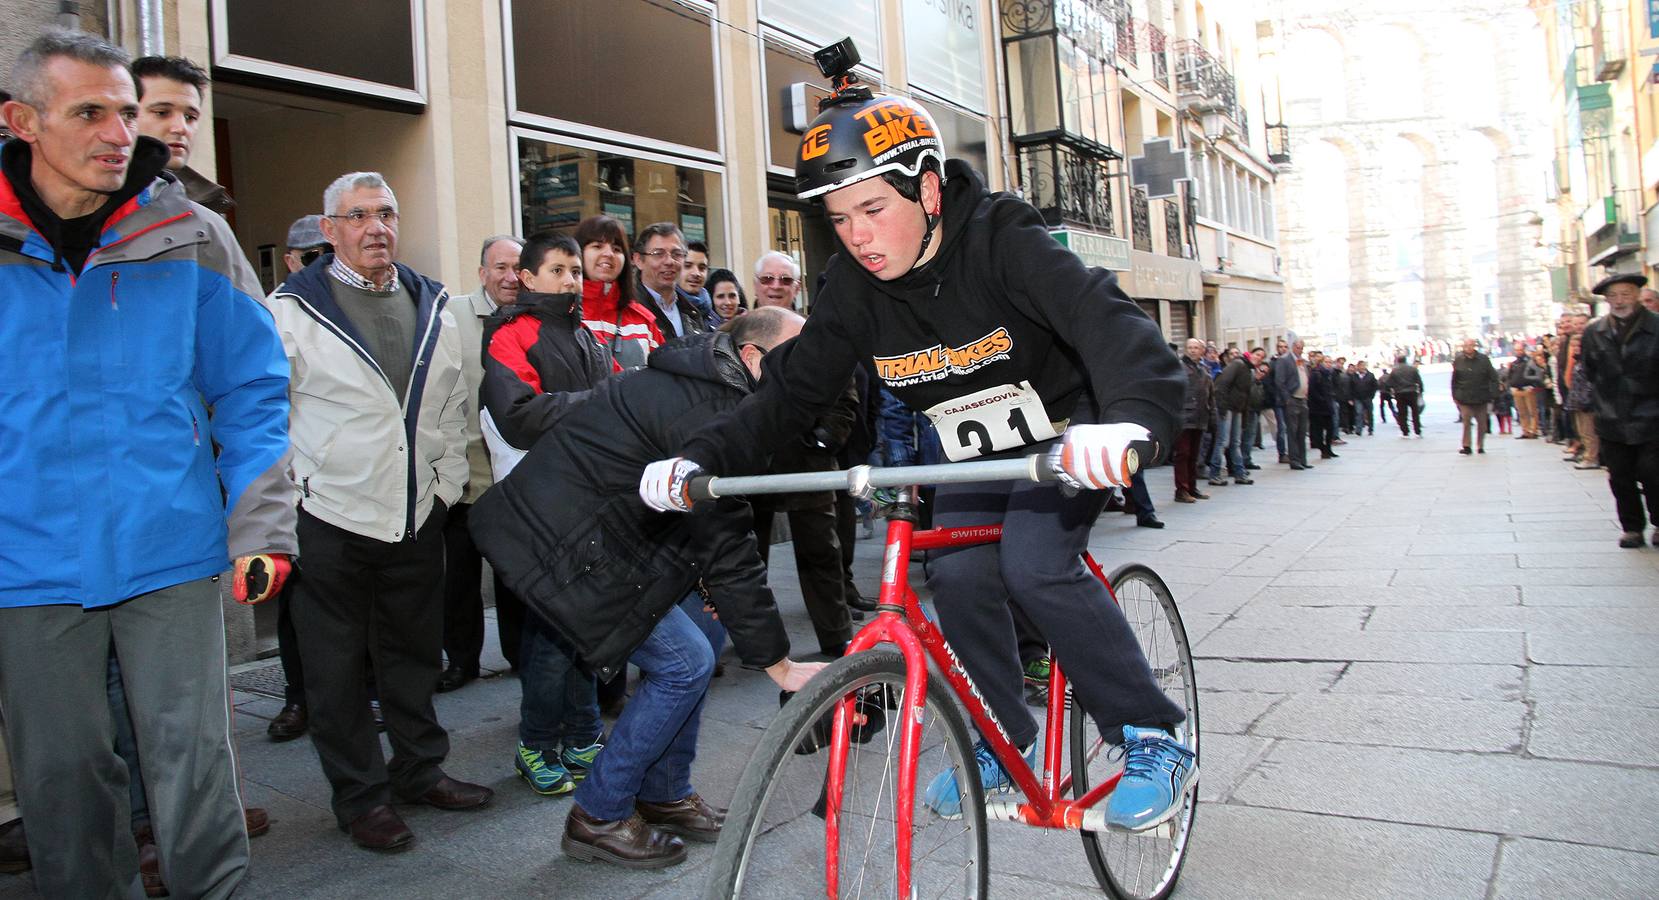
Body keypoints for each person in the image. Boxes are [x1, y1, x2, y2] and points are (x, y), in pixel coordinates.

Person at [640, 79, 1195, 832]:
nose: (859, 236)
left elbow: (1104, 318)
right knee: (960, 573)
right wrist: (695, 460)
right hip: (971, 445)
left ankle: (1148, 732)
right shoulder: (852, 291)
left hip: (1069, 426)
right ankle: (1002, 742)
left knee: (1033, 564)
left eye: (874, 209)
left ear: (928, 189)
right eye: (839, 219)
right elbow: (789, 398)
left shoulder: (1001, 238)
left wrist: (1130, 420)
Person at [0, 30, 293, 897]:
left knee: (195, 765)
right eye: (89, 111)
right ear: (22, 120)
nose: (119, 132)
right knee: (61, 780)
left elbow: (255, 386)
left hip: (170, 548)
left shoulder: (190, 235)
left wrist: (261, 525)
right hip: (25, 565)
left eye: (127, 112)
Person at [470, 309, 829, 867]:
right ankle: (598, 815)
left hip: (600, 537)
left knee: (705, 637)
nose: (812, 373)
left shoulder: (715, 386)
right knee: (684, 662)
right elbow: (726, 539)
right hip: (562, 546)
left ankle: (663, 793)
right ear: (755, 358)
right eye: (799, 358)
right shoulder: (709, 409)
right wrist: (778, 664)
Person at [263, 171, 491, 852]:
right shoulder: (290, 311)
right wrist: (293, 495)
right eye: (357, 215)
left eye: (385, 213)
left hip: (417, 514)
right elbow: (266, 414)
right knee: (334, 671)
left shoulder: (435, 304)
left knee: (414, 656)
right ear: (329, 230)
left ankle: (419, 772)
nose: (375, 227)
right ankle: (362, 799)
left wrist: (445, 483)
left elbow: (454, 404)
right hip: (328, 517)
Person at [480, 233, 614, 795]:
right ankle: (535, 744)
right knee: (550, 639)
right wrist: (598, 407)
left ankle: (582, 736)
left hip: (591, 505)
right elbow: (518, 416)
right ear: (528, 279)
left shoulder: (587, 337)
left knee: (581, 632)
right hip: (539, 508)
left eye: (575, 271)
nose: (569, 280)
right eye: (557, 270)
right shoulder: (511, 335)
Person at [441, 234, 523, 689]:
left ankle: (518, 653)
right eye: (500, 267)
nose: (510, 277)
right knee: (460, 579)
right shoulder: (451, 316)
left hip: (514, 477)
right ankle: (461, 660)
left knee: (514, 576)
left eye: (517, 267)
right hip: (464, 474)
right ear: (482, 272)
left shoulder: (533, 317)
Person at [1579, 273, 1659, 548]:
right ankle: (1632, 527)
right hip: (1612, 415)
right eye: (1613, 296)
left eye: (1625, 294)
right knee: (1620, 475)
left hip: (1652, 414)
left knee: (1653, 472)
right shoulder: (1595, 331)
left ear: (1637, 295)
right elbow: (1589, 369)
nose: (1619, 301)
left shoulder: (1656, 327)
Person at [130, 54, 232, 215]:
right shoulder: (89, 195)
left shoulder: (207, 211)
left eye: (190, 117)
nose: (181, 128)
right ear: (126, 115)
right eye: (162, 113)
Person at [576, 214, 663, 369]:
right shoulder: (563, 313)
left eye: (616, 249)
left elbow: (663, 377)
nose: (608, 254)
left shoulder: (643, 321)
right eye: (597, 246)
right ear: (578, 253)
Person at [635, 222, 710, 341]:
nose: (669, 261)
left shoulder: (691, 313)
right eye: (658, 254)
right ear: (638, 260)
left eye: (677, 254)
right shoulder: (629, 309)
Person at [1174, 338, 1214, 501]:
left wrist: (1212, 415)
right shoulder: (1179, 367)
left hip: (1199, 417)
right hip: (1184, 418)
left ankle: (1192, 486)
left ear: (1202, 350)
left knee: (1194, 455)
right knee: (1183, 454)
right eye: (1189, 347)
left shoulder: (1203, 369)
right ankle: (1182, 490)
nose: (1192, 350)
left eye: (1196, 347)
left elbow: (1210, 395)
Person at [1208, 345, 1253, 485]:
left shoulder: (1247, 369)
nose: (1259, 359)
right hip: (1227, 408)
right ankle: (1215, 473)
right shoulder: (1237, 365)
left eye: (1262, 357)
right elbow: (1221, 386)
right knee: (1223, 441)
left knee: (1234, 442)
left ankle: (1239, 472)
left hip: (1236, 409)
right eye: (1256, 355)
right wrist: (1222, 408)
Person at [1451, 337, 1499, 455]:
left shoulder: (1483, 359)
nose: (1469, 348)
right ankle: (1466, 445)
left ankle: (1480, 445)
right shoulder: (1458, 360)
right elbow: (1455, 379)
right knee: (1466, 421)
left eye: (1471, 345)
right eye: (1466, 346)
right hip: (1464, 396)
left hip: (1481, 396)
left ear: (1475, 346)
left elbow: (1493, 377)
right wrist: (1455, 395)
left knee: (1482, 423)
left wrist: (1493, 393)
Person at [1274, 338, 1312, 469]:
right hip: (1292, 399)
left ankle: (1303, 459)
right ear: (1293, 347)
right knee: (1293, 431)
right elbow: (1279, 381)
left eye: (1302, 347)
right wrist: (1287, 399)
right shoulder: (1284, 360)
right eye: (1298, 347)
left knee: (1302, 431)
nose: (1300, 350)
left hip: (1303, 399)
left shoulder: (1302, 362)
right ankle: (1294, 460)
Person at [1383, 354, 1424, 437]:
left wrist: (1391, 390)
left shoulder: (1395, 370)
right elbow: (1419, 381)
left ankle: (1405, 431)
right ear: (1406, 360)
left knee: (1402, 413)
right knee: (1415, 412)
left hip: (1400, 393)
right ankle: (1417, 430)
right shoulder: (1412, 369)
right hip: (1412, 392)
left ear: (1398, 361)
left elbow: (1388, 383)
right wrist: (1420, 391)